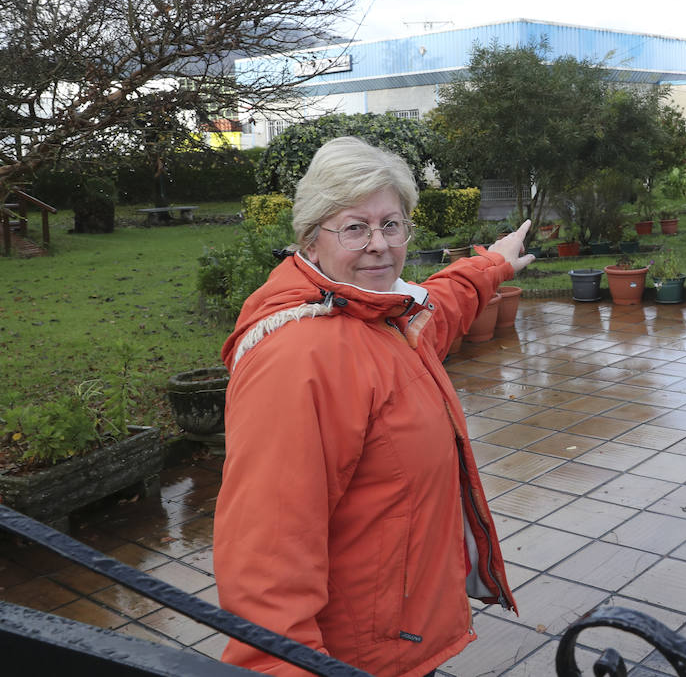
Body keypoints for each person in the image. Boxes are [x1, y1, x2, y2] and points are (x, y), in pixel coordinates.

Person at [214, 136, 534, 677]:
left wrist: (490, 267)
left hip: (395, 638)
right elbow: (266, 553)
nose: (379, 244)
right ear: (311, 241)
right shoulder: (300, 358)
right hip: (357, 658)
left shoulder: (378, 317)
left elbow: (441, 308)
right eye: (355, 228)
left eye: (392, 225)